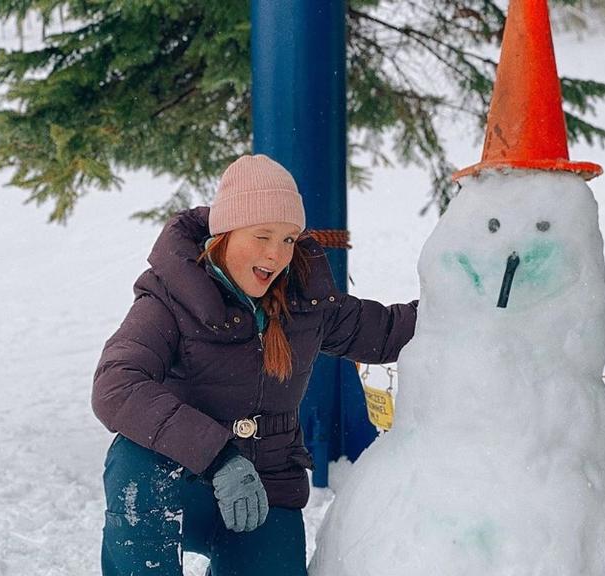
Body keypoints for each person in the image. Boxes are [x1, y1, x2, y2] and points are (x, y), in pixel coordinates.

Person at [92, 154, 418, 576]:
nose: (275, 255)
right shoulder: (171, 297)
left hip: (266, 485)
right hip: (181, 481)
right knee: (136, 460)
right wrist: (218, 456)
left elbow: (388, 332)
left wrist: (467, 292)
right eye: (262, 236)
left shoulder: (307, 300)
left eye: (288, 240)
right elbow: (116, 385)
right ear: (224, 234)